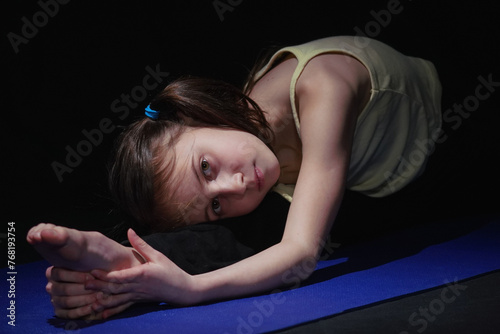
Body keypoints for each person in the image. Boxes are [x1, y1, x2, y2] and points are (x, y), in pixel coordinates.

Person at [27, 36, 442, 320]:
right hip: (350, 180)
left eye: (205, 167)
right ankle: (130, 261)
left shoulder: (322, 87)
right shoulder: (244, 142)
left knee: (271, 231)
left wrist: (190, 289)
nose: (234, 186)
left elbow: (301, 254)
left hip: (440, 164)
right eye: (214, 205)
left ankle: (140, 264)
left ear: (195, 117)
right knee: (245, 229)